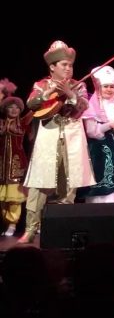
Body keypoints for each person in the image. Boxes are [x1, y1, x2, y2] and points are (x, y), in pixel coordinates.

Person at [20, 41, 95, 243]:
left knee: (68, 183)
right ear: (52, 67)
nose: (68, 68)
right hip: (48, 136)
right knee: (39, 182)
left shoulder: (79, 85)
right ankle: (30, 229)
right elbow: (31, 103)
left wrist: (70, 93)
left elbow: (83, 107)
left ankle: (62, 229)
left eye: (70, 65)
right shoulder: (41, 85)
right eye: (64, 65)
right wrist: (48, 93)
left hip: (72, 136)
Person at [78, 66, 114, 203]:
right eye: (105, 86)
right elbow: (91, 132)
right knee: (100, 190)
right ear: (99, 88)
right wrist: (109, 125)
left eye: (112, 87)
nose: (109, 89)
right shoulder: (91, 106)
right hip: (98, 150)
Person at [0, 96, 32, 236]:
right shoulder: (1, 123)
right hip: (1, 167)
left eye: (17, 107)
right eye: (10, 107)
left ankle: (12, 224)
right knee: (2, 199)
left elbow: (34, 110)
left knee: (14, 199)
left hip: (17, 165)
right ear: (5, 109)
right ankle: (6, 223)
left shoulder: (23, 123)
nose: (14, 110)